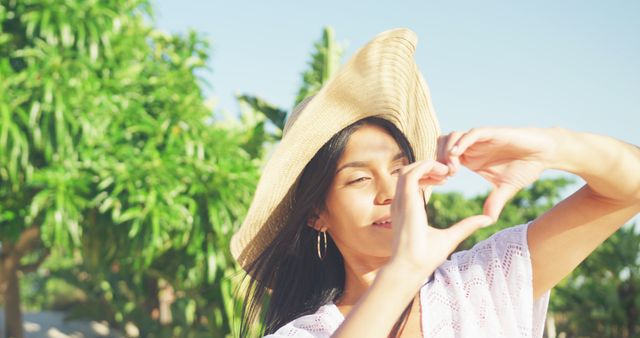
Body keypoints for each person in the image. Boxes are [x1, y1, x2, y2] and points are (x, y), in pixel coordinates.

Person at [229, 28, 640, 338]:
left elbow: (630, 188)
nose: (389, 192)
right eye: (358, 179)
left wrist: (552, 146)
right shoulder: (305, 332)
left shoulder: (482, 281)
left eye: (399, 168)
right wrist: (405, 270)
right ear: (317, 214)